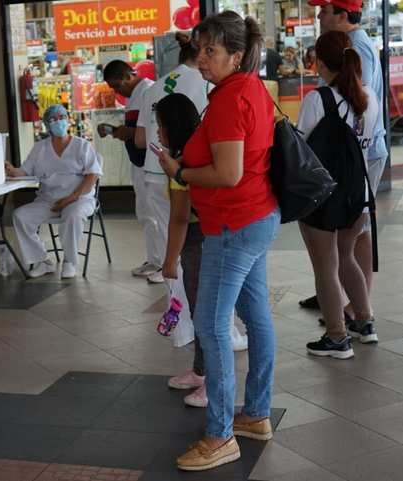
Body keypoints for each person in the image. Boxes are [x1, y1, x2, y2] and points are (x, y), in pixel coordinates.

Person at [159, 11, 280, 471]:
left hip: (232, 226)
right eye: (199, 47)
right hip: (254, 217)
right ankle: (256, 414)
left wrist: (180, 172)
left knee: (211, 326)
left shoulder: (231, 99)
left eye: (211, 50)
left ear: (235, 53)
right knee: (255, 317)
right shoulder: (246, 87)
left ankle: (220, 434)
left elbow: (227, 174)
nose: (202, 57)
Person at [156, 94, 249, 410]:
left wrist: (169, 261)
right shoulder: (192, 152)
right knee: (202, 313)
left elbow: (180, 218)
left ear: (172, 126)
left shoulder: (182, 164)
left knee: (206, 317)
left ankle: (213, 385)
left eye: (159, 126)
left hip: (200, 243)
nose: (156, 132)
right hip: (211, 238)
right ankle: (201, 372)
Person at [300, 0, 387, 318]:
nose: (319, 16)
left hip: (351, 162)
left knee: (352, 236)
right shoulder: (358, 48)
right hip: (355, 159)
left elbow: (310, 141)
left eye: (324, 10)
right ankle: (350, 303)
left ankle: (353, 305)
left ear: (342, 15)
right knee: (351, 236)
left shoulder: (355, 51)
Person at [134, 33, 211, 285]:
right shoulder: (208, 83)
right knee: (199, 244)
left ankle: (177, 308)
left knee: (169, 241)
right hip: (195, 171)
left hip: (157, 173)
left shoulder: (153, 87)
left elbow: (141, 141)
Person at [7, 105, 102, 279]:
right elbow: (25, 171)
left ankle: (69, 261)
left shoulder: (81, 145)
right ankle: (43, 261)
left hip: (79, 199)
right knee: (20, 216)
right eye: (53, 119)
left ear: (67, 119)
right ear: (47, 125)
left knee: (73, 216)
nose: (59, 122)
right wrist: (13, 170)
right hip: (48, 200)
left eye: (62, 117)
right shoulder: (39, 148)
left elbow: (92, 175)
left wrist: (72, 197)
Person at [96, 61, 161, 282]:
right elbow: (134, 131)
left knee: (154, 213)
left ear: (126, 76)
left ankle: (163, 261)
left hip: (151, 162)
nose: (116, 91)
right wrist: (116, 131)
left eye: (116, 85)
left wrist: (129, 132)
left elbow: (155, 128)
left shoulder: (149, 90)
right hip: (138, 161)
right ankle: (154, 258)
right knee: (144, 213)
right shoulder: (132, 97)